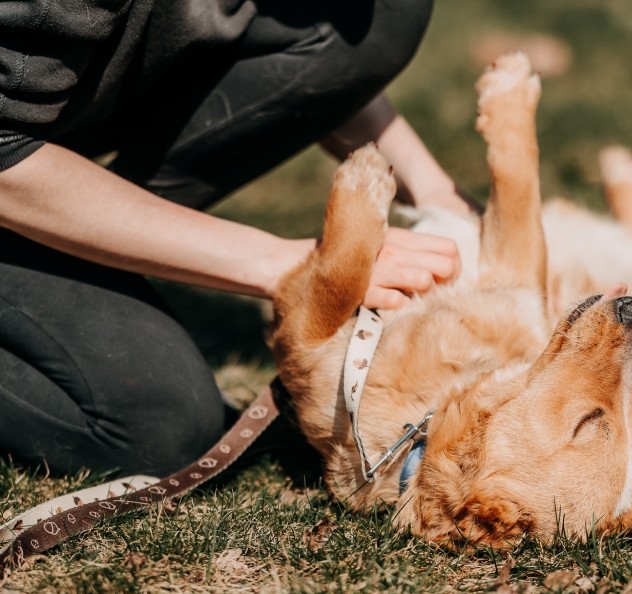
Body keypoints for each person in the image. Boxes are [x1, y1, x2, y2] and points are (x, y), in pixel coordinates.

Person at [0, 1, 471, 477]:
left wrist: (435, 193)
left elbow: (321, 43)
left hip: (42, 115)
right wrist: (288, 266)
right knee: (160, 425)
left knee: (376, 18)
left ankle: (79, 233)